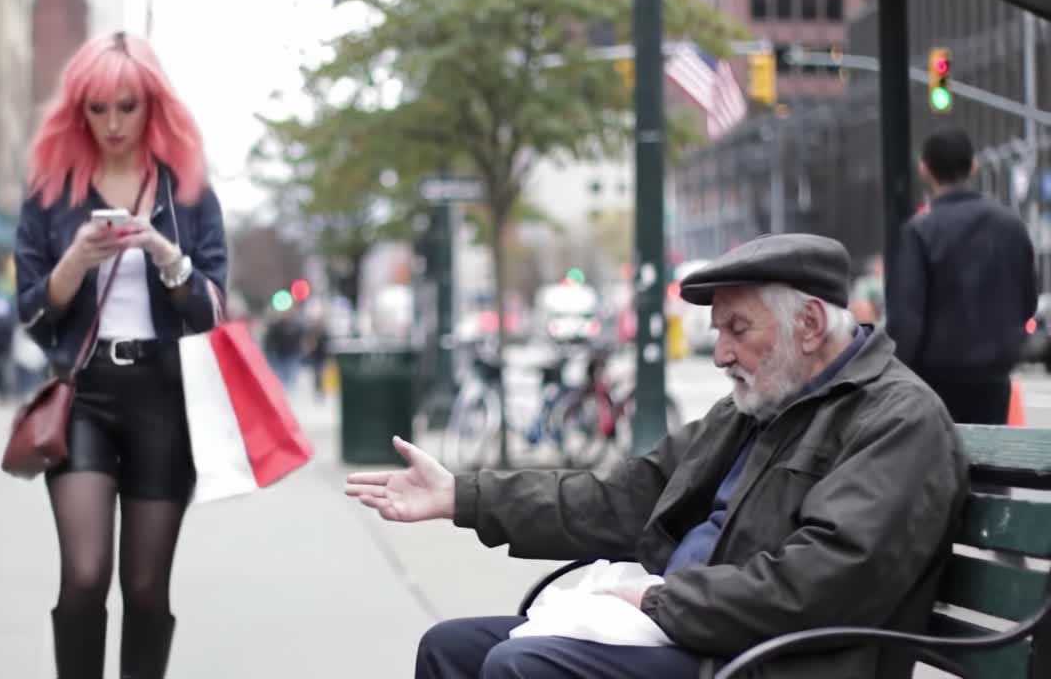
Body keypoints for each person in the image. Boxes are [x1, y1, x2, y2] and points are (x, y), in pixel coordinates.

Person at [346, 233, 969, 679]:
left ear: (808, 324)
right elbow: (622, 499)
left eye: (737, 329)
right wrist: (464, 496)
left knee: (522, 666)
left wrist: (656, 603)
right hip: (695, 632)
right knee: (450, 648)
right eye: (718, 330)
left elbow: (819, 584)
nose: (720, 353)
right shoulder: (752, 408)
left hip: (773, 656)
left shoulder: (895, 420)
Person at [13, 30, 227, 679]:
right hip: (83, 394)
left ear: (152, 106)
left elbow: (214, 312)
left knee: (144, 588)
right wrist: (76, 259)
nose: (112, 123)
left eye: (126, 107)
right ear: (77, 110)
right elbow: (31, 313)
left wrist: (166, 255)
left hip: (165, 396)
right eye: (97, 108)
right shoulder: (52, 194)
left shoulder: (186, 194)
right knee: (83, 575)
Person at [887, 127, 1037, 424]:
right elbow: (1028, 301)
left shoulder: (919, 232)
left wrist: (896, 373)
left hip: (933, 382)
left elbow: (907, 317)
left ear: (924, 169)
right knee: (989, 462)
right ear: (974, 166)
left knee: (939, 463)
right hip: (994, 377)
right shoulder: (1010, 226)